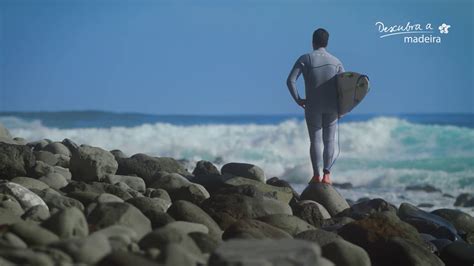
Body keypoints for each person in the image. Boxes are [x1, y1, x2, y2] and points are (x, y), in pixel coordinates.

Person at [286, 28, 345, 184]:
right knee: (330, 141)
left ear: (313, 42)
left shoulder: (305, 58)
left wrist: (298, 99)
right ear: (327, 42)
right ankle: (327, 175)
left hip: (313, 106)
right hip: (332, 106)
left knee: (316, 141)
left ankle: (316, 175)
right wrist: (344, 108)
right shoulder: (336, 61)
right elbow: (345, 87)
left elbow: (290, 80)